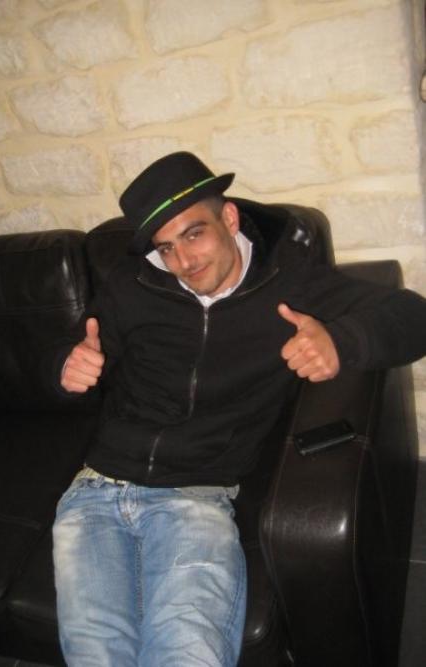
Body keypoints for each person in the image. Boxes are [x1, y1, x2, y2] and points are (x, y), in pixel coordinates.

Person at [52, 151, 426, 667]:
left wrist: (341, 341)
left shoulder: (289, 284)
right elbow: (75, 349)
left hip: (194, 497)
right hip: (94, 493)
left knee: (188, 652)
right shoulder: (130, 286)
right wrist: (66, 366)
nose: (184, 262)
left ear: (228, 218)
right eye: (166, 247)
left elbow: (411, 315)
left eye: (194, 234)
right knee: (95, 655)